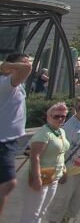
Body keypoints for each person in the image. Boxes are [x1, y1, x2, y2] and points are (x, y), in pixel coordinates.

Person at [21, 102, 70, 223]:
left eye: (63, 116)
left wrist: (63, 170)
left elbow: (60, 153)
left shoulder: (61, 131)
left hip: (53, 177)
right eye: (56, 116)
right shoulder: (44, 133)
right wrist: (37, 179)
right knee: (32, 213)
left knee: (41, 211)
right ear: (48, 117)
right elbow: (34, 156)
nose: (60, 119)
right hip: (41, 176)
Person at [0, 52, 31, 217]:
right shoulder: (6, 83)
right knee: (8, 183)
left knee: (6, 183)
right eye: (23, 61)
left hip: (10, 140)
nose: (28, 64)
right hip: (3, 141)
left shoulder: (17, 85)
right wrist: (8, 66)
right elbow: (26, 69)